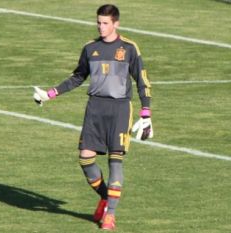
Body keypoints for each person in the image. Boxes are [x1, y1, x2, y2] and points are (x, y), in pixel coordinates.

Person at [32, 4, 153, 231]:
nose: (101, 26)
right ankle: (107, 197)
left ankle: (110, 216)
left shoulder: (129, 48)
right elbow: (77, 77)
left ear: (116, 24)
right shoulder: (90, 48)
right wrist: (50, 94)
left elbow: (143, 81)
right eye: (98, 22)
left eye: (105, 23)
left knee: (115, 160)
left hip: (119, 110)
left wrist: (146, 112)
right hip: (94, 108)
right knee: (85, 159)